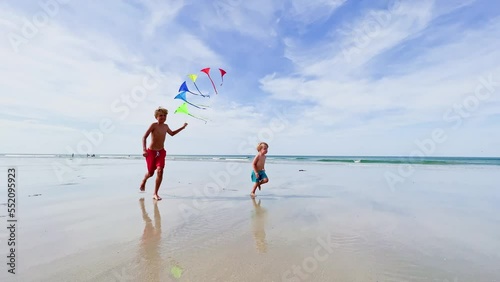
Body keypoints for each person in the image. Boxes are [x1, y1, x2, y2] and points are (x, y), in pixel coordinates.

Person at [140, 107, 187, 200]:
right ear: (156, 117)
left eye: (165, 115)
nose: (163, 117)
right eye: (161, 115)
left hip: (161, 152)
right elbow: (144, 137)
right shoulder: (153, 125)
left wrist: (182, 127)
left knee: (160, 171)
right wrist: (144, 150)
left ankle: (155, 193)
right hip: (151, 152)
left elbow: (172, 133)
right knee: (150, 173)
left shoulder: (166, 126)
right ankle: (144, 180)